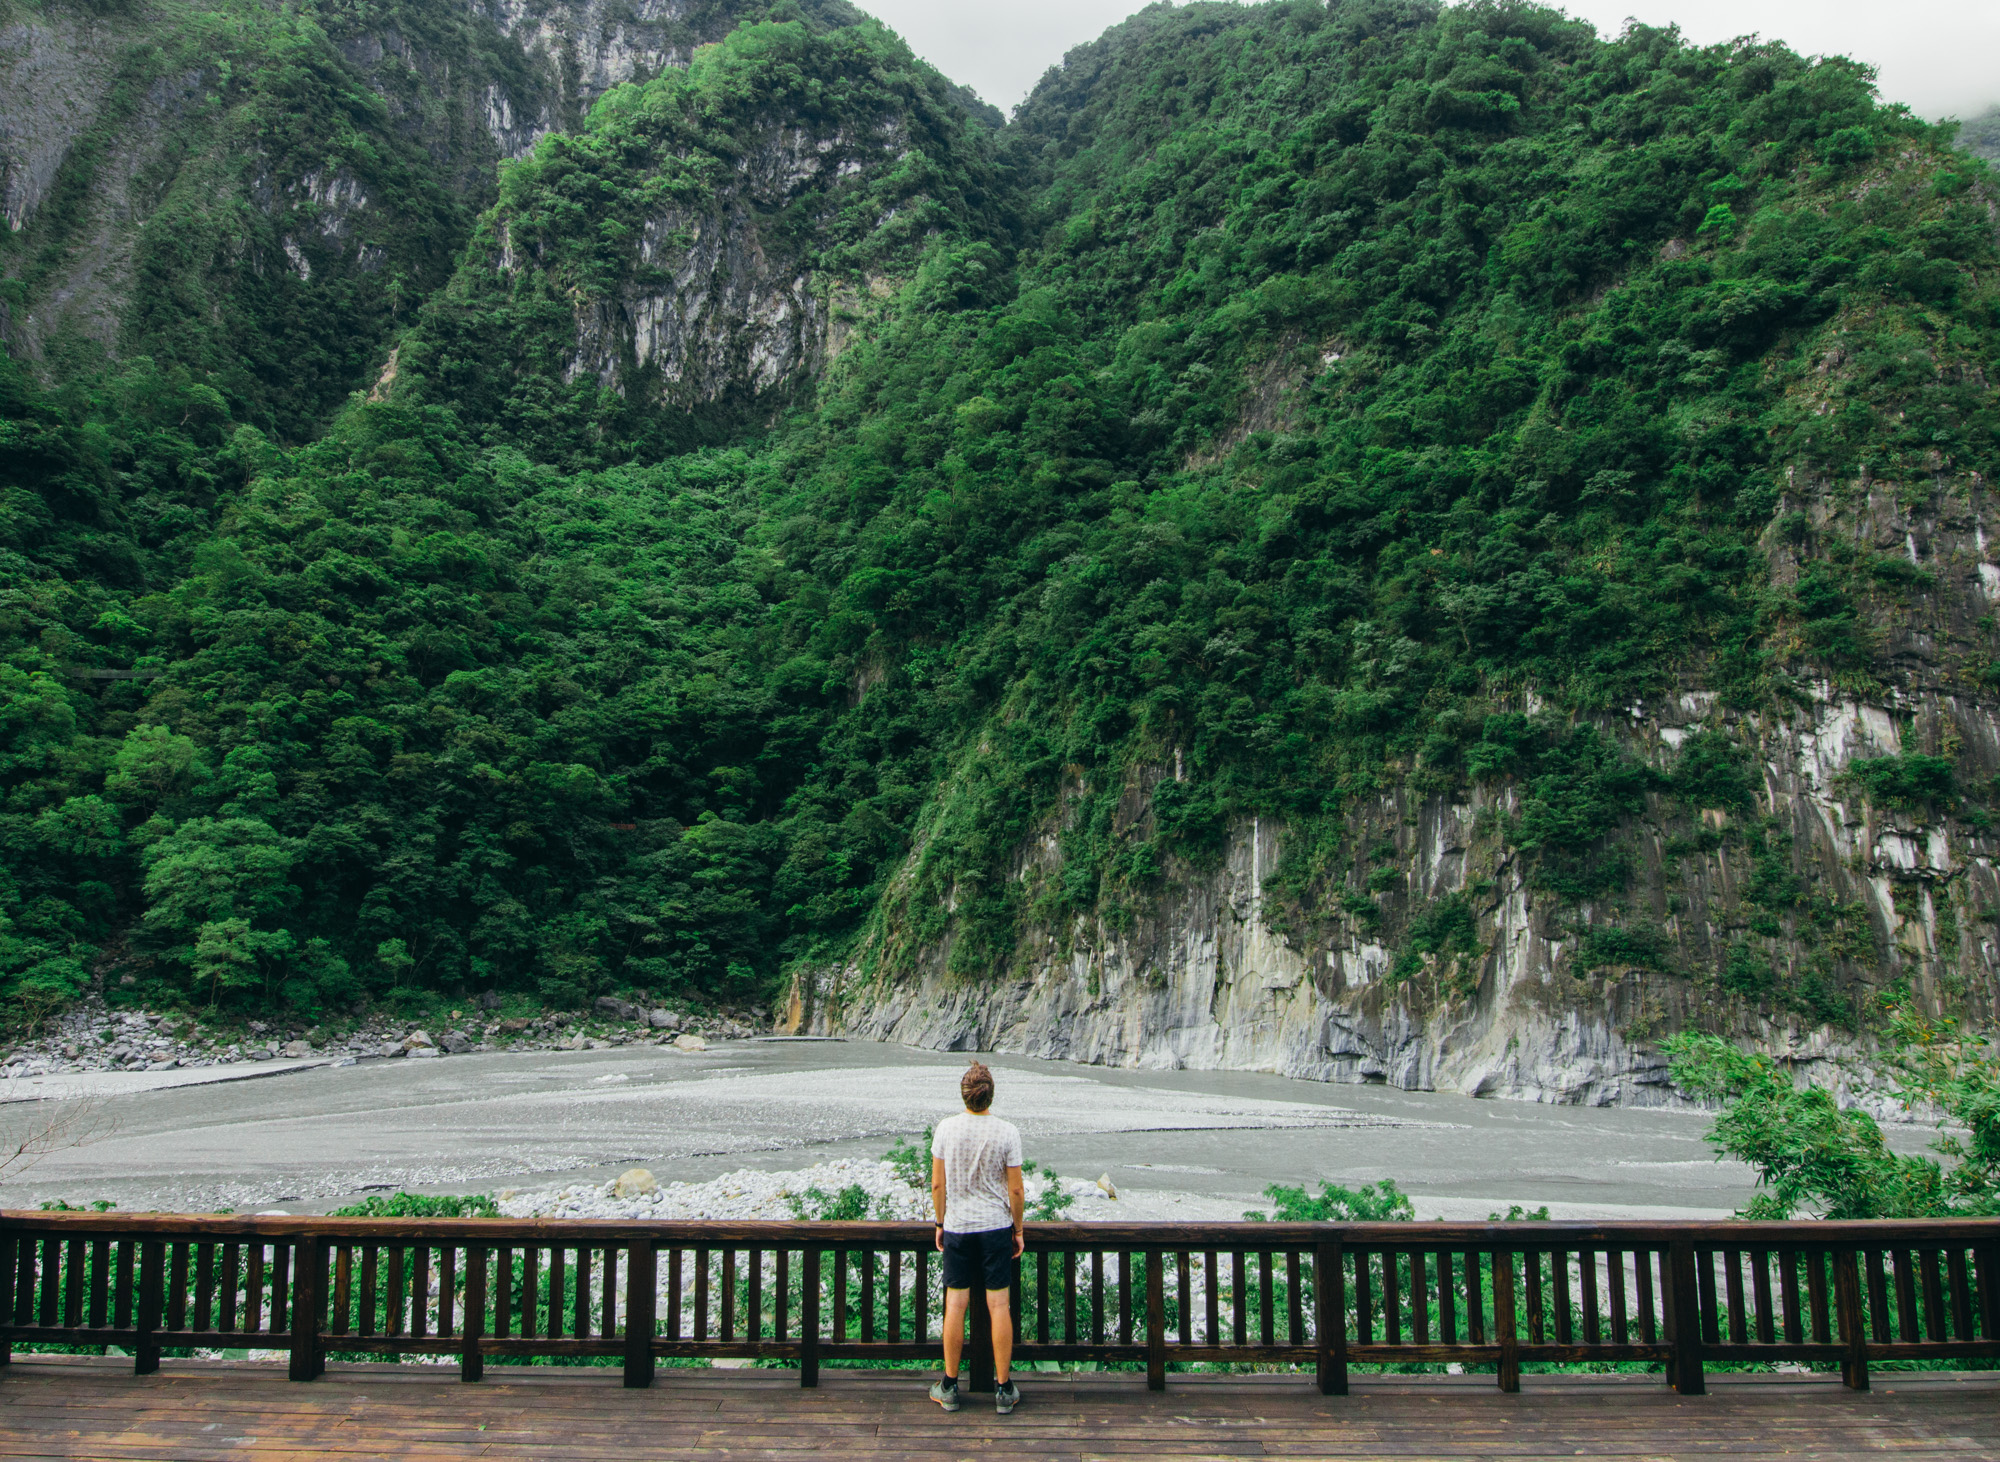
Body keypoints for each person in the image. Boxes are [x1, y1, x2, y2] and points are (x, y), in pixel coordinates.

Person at [928, 1060, 1024, 1415]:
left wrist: (940, 1222)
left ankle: (950, 1386)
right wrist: (1018, 1229)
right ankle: (1003, 1388)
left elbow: (938, 1183)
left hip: (958, 1227)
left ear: (964, 1094)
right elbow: (1015, 1190)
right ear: (990, 1095)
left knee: (956, 1305)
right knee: (999, 1306)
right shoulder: (1007, 1132)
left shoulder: (946, 1129)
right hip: (996, 1227)